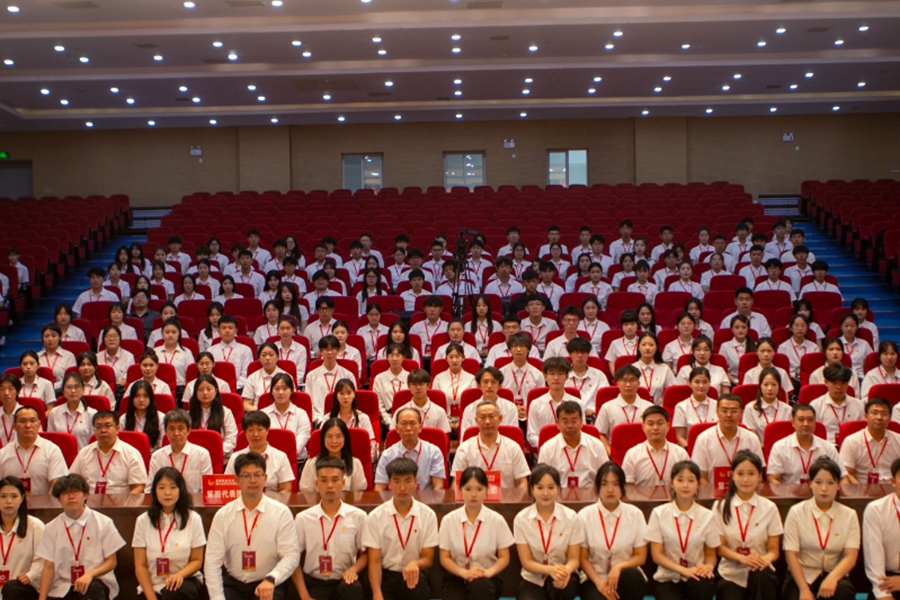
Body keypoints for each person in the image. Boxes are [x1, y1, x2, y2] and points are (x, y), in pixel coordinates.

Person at [205, 452, 300, 600]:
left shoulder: (281, 512)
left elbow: (291, 555)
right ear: (236, 480)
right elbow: (212, 561)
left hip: (267, 583)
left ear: (265, 478)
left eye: (257, 475)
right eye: (246, 476)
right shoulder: (223, 515)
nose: (252, 480)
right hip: (233, 584)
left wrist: (272, 578)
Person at [36, 474, 126, 600]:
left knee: (92, 588)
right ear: (59, 499)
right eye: (65, 493)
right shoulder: (51, 528)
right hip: (63, 586)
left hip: (95, 581)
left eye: (75, 492)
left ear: (85, 495)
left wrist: (89, 575)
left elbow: (111, 562)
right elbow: (49, 567)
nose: (71, 496)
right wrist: (42, 598)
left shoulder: (104, 523)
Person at [782, 458, 859, 600]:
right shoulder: (796, 512)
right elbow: (791, 554)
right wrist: (804, 590)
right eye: (818, 482)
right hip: (803, 575)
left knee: (843, 591)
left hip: (834, 573)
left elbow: (850, 556)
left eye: (830, 483)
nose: (824, 488)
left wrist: (832, 578)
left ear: (838, 485)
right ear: (810, 484)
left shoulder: (849, 515)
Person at [292, 456, 368, 600]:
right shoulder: (303, 518)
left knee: (353, 589)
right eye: (324, 480)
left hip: (344, 580)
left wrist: (354, 569)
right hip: (314, 583)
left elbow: (365, 554)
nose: (329, 485)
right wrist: (304, 595)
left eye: (335, 480)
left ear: (343, 483)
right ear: (316, 483)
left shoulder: (358, 516)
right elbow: (293, 558)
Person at [364, 457, 440, 600]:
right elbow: (374, 561)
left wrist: (415, 563)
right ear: (389, 484)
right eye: (397, 481)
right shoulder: (375, 516)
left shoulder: (428, 515)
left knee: (417, 585)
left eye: (407, 481)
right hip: (387, 575)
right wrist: (377, 594)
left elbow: (428, 558)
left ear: (415, 482)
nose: (402, 487)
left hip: (415, 573)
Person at [712, 450, 782, 600]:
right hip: (731, 572)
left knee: (761, 577)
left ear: (759, 476)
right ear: (732, 475)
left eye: (751, 473)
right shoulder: (720, 506)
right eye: (740, 473)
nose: (745, 479)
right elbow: (720, 547)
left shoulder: (769, 508)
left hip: (760, 569)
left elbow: (774, 550)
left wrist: (763, 560)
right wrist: (742, 558)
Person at [645, 461, 719, 600]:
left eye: (691, 480)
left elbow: (710, 553)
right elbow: (657, 555)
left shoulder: (707, 516)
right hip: (668, 577)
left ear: (698, 484)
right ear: (671, 483)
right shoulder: (658, 513)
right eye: (680, 480)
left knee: (704, 587)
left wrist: (708, 566)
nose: (685, 485)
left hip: (697, 575)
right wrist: (684, 570)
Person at [439, 466, 514, 600]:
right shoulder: (448, 520)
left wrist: (488, 572)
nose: (473, 494)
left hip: (486, 578)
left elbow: (504, 556)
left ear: (487, 490)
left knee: (480, 588)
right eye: (468, 489)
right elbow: (444, 557)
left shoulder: (497, 520)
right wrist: (464, 573)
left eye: (479, 489)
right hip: (456, 577)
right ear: (460, 490)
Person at [578, 462, 648, 600]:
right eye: (604, 484)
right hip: (594, 579)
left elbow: (641, 556)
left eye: (615, 484)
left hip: (624, 576)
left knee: (632, 577)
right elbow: (583, 558)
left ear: (622, 487)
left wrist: (619, 567)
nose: (610, 489)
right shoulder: (584, 516)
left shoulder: (635, 514)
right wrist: (599, 583)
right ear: (597, 487)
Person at [133, 467, 206, 600]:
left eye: (173, 487)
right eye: (161, 488)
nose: (167, 492)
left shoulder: (193, 519)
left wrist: (179, 575)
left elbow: (197, 561)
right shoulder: (143, 520)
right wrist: (151, 597)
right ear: (154, 491)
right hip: (152, 586)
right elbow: (140, 566)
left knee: (174, 593)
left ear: (180, 490)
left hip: (184, 581)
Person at [513, 465, 582, 600]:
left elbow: (574, 559)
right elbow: (526, 562)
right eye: (540, 488)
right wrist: (550, 570)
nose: (545, 493)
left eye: (551, 487)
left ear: (558, 489)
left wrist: (565, 571)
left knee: (561, 589)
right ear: (532, 489)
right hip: (533, 578)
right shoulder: (521, 519)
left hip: (563, 574)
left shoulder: (571, 517)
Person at [451, 401, 530, 489]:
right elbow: (456, 484)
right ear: (476, 420)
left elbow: (522, 482)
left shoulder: (513, 448)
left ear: (500, 418)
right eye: (482, 417)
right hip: (474, 497)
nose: (487, 421)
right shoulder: (464, 449)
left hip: (507, 497)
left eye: (492, 417)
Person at [690, 395, 764, 489]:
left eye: (734, 411)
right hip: (712, 494)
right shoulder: (703, 439)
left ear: (741, 413)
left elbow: (759, 476)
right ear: (717, 412)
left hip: (745, 492)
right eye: (724, 410)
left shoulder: (752, 439)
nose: (729, 415)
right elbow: (700, 478)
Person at [70, 410, 148, 494]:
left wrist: (125, 502)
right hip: (88, 500)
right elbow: (72, 482)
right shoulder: (84, 453)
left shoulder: (131, 453)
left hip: (121, 501)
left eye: (108, 426)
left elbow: (139, 487)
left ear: (117, 429)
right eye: (98, 427)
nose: (103, 430)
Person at [537, 401, 610, 489]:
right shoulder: (547, 449)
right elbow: (541, 482)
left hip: (590, 495)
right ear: (557, 423)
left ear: (582, 422)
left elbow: (606, 478)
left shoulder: (597, 446)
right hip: (557, 495)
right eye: (565, 422)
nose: (570, 426)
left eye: (574, 421)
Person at [766, 404, 845, 485]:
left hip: (821, 491)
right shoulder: (779, 447)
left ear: (815, 422)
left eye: (810, 420)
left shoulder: (828, 448)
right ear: (793, 422)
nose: (806, 424)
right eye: (801, 420)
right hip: (790, 492)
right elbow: (773, 478)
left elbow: (843, 477)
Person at [0, 406, 67, 495]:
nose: (28, 425)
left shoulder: (52, 450)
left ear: (39, 425)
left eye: (32, 421)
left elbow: (56, 485)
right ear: (14, 426)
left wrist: (47, 503)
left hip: (44, 503)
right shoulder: (3, 454)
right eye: (22, 421)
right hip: (11, 503)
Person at [375, 408, 446, 491]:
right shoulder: (387, 455)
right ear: (397, 428)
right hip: (397, 497)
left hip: (426, 497)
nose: (408, 428)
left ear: (420, 427)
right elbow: (379, 488)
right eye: (404, 423)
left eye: (412, 423)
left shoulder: (433, 452)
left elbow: (438, 486)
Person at [146, 410, 213, 494]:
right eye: (171, 428)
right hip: (165, 500)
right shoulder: (157, 456)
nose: (176, 433)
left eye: (180, 428)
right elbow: (150, 489)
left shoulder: (202, 455)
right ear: (165, 431)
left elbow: (207, 490)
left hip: (194, 501)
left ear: (188, 431)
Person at [623, 406, 690, 488]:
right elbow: (628, 489)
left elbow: (688, 484)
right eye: (650, 424)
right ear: (643, 427)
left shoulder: (680, 454)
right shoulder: (632, 454)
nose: (655, 428)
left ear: (668, 426)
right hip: (642, 496)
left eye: (660, 423)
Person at [0, 476, 45, 599]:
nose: (9, 501)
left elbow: (43, 559)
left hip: (24, 587)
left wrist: (30, 575)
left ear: (22, 498)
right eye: (3, 496)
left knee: (12, 589)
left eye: (14, 496)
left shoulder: (35, 526)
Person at [862, 457, 900, 600]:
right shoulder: (876, 509)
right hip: (886, 579)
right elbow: (874, 558)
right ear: (893, 481)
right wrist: (883, 595)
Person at [839, 397, 900, 484]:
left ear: (890, 418)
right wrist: (861, 490)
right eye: (875, 413)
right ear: (866, 417)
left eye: (884, 414)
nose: (879, 417)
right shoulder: (852, 441)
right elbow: (846, 473)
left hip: (893, 488)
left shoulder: (898, 440)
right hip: (860, 488)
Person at [298, 419, 367, 493]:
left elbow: (359, 494)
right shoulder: (311, 464)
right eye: (329, 436)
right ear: (323, 439)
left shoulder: (355, 464)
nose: (334, 441)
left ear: (345, 438)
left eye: (338, 436)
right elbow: (306, 494)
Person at [596, 364, 654, 453]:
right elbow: (600, 434)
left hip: (644, 453)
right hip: (616, 453)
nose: (628, 384)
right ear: (618, 383)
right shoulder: (607, 407)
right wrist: (611, 452)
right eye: (624, 380)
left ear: (638, 383)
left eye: (632, 380)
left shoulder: (649, 407)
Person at [526, 358, 578, 448]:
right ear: (545, 376)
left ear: (566, 376)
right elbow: (532, 435)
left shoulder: (578, 403)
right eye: (552, 374)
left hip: (571, 449)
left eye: (560, 374)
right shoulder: (536, 404)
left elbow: (581, 431)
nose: (556, 378)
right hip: (545, 450)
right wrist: (549, 447)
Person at [261, 373, 312, 461]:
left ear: (291, 390)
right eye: (277, 389)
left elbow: (302, 439)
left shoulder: (301, 414)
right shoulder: (263, 414)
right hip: (269, 460)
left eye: (285, 389)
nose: (281, 392)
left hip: (296, 460)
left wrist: (287, 455)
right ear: (271, 391)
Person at [307, 335, 357, 425]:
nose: (329, 352)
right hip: (319, 421)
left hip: (343, 421)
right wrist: (320, 420)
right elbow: (309, 404)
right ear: (320, 352)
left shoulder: (348, 375)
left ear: (338, 351)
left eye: (333, 349)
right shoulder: (311, 376)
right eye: (326, 349)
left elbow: (352, 400)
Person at [809, 364, 865, 443]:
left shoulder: (859, 405)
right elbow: (814, 434)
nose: (839, 387)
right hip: (826, 445)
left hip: (853, 444)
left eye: (843, 383)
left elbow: (862, 432)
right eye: (834, 383)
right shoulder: (816, 405)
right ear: (826, 382)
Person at [187, 374, 239, 456]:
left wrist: (216, 452)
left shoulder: (225, 412)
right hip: (194, 457)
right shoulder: (188, 414)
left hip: (219, 456)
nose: (205, 393)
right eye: (200, 390)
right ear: (195, 392)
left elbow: (231, 439)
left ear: (216, 390)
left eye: (209, 389)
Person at [329, 378, 378, 462]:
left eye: (349, 393)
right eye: (341, 393)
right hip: (333, 461)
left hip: (358, 461)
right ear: (336, 396)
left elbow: (371, 444)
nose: (345, 397)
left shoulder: (363, 418)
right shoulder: (328, 418)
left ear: (354, 394)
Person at [46, 372, 97, 450]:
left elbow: (94, 443)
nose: (73, 391)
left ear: (83, 389)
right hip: (59, 456)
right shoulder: (54, 413)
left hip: (83, 455)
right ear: (63, 391)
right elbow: (51, 441)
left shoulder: (91, 414)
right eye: (69, 387)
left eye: (76, 387)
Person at [740, 367, 792, 443]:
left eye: (774, 384)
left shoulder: (788, 410)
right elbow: (751, 437)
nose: (770, 388)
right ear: (760, 386)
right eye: (766, 384)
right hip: (758, 448)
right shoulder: (750, 408)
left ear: (779, 386)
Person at [498, 333, 545, 415]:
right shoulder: (501, 373)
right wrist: (513, 410)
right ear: (509, 350)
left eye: (522, 346)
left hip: (531, 414)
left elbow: (541, 400)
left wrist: (528, 410)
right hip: (506, 414)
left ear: (528, 349)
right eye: (515, 346)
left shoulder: (538, 375)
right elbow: (497, 398)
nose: (518, 349)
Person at [459, 367, 518, 432]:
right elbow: (466, 436)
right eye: (485, 382)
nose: (489, 386)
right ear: (479, 386)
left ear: (499, 386)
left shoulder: (511, 408)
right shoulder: (469, 410)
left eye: (493, 382)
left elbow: (513, 435)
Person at [393, 369, 452, 434]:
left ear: (428, 386)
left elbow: (443, 437)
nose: (418, 387)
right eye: (414, 384)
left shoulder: (439, 412)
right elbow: (394, 435)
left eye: (421, 384)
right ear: (409, 386)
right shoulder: (400, 412)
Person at [672, 367, 717, 447]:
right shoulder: (681, 407)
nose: (701, 386)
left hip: (715, 447)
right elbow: (680, 437)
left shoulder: (717, 405)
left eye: (705, 382)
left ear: (709, 383)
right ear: (690, 384)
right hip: (690, 448)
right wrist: (692, 450)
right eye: (697, 382)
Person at [209, 316, 253, 392]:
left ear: (236, 330)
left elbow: (246, 375)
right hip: (215, 389)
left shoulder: (245, 350)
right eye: (224, 328)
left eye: (230, 328)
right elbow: (209, 373)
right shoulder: (210, 351)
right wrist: (220, 387)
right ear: (219, 331)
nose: (227, 331)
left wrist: (232, 387)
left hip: (239, 389)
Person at [241, 343, 287, 412]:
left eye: (271, 355)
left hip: (280, 413)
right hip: (258, 414)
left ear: (277, 357)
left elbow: (291, 401)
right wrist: (260, 413)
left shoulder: (287, 377)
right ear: (259, 358)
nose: (267, 358)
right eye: (264, 355)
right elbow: (246, 404)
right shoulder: (252, 378)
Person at [120, 379, 165, 450]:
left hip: (153, 455)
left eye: (145, 396)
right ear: (132, 398)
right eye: (137, 396)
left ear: (150, 398)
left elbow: (162, 446)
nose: (141, 400)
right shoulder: (124, 418)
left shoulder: (160, 417)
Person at [632, 333, 675, 405]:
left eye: (651, 345)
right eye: (644, 345)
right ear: (638, 347)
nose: (647, 348)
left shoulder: (664, 369)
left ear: (656, 347)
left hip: (659, 408)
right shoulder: (631, 369)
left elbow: (672, 393)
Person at [37, 324, 76, 389]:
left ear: (60, 337)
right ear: (42, 338)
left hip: (62, 390)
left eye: (53, 336)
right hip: (41, 390)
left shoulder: (69, 356)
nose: (50, 339)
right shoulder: (37, 356)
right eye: (46, 336)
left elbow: (70, 377)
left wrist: (54, 387)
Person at [0, 373, 22, 446]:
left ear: (18, 392)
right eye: (2, 389)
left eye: (10, 389)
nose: (6, 393)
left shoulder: (28, 414)